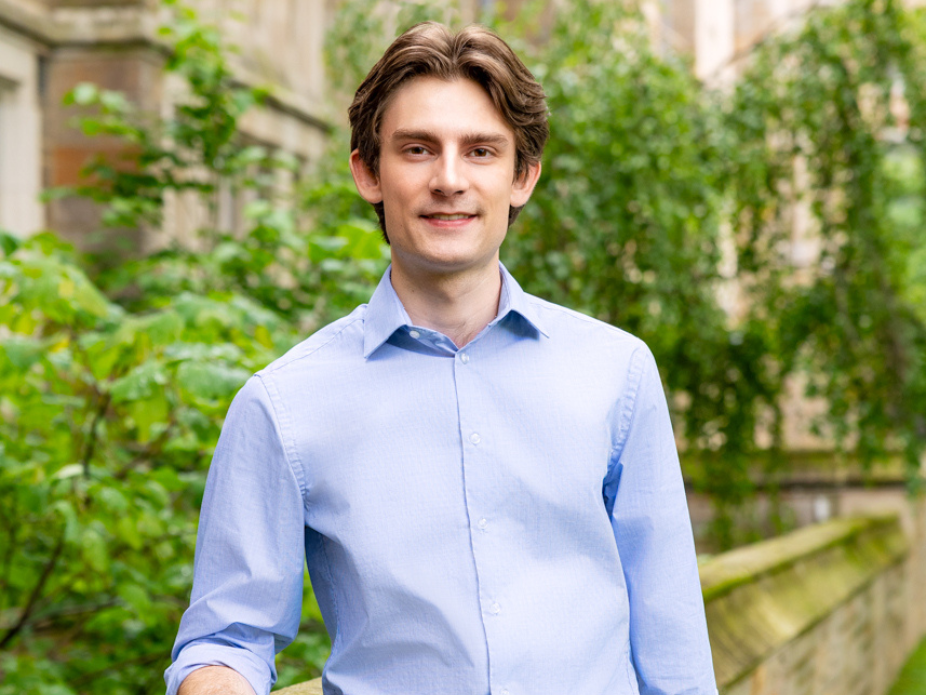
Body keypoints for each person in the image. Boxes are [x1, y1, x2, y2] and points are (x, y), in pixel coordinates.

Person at [165, 21, 717, 695]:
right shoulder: (282, 405)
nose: (449, 179)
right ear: (368, 172)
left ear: (522, 177)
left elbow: (674, 651)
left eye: (480, 150)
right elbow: (228, 637)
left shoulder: (617, 374)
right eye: (418, 149)